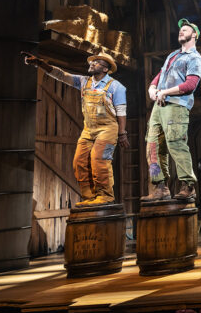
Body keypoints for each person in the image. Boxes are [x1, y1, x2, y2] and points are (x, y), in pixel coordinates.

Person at [23, 52, 129, 205]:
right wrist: (41, 64)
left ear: (106, 69)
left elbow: (121, 112)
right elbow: (61, 75)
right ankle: (89, 197)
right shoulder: (83, 81)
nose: (92, 64)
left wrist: (122, 134)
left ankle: (105, 196)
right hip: (89, 129)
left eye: (97, 62)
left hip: (107, 129)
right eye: (92, 62)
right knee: (79, 161)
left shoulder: (116, 86)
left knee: (99, 160)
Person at [142, 18, 201, 201]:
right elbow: (161, 75)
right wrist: (152, 88)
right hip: (159, 106)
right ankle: (159, 186)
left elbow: (190, 85)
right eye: (180, 30)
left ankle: (188, 185)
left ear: (194, 35)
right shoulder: (173, 55)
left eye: (185, 30)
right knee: (152, 146)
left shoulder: (195, 58)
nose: (181, 32)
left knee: (175, 143)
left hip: (176, 105)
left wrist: (165, 92)